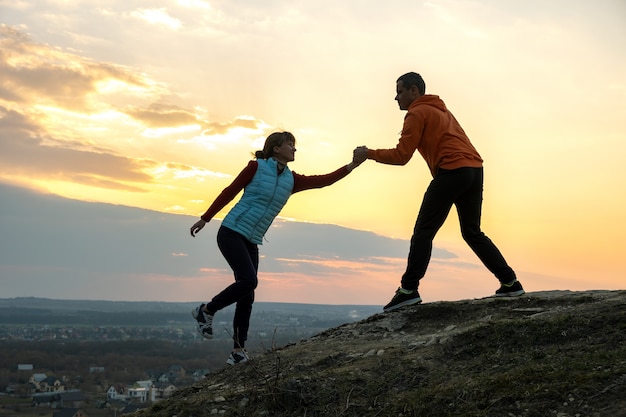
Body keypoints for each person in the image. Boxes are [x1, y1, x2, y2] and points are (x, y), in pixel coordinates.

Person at [354, 72, 524, 312]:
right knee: (472, 231)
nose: (396, 97)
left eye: (400, 91)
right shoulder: (442, 110)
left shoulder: (417, 112)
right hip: (475, 170)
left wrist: (369, 153)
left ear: (414, 91)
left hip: (452, 171)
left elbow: (402, 156)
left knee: (423, 232)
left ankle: (408, 290)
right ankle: (510, 282)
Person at [190, 131, 364, 365]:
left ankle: (238, 351)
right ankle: (207, 310)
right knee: (249, 281)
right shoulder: (256, 167)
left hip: (252, 239)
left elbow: (325, 180)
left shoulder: (292, 180)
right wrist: (206, 217)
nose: (294, 149)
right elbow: (230, 191)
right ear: (276, 149)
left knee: (247, 294)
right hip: (231, 231)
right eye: (290, 145)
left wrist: (353, 164)